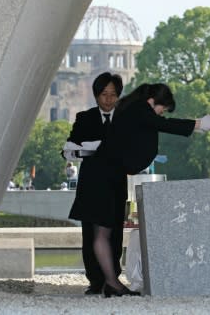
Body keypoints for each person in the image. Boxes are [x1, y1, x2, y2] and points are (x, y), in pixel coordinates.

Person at [68, 82, 210, 297]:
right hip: (103, 177)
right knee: (102, 233)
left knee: (102, 232)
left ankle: (110, 281)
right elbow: (166, 125)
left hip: (102, 175)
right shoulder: (139, 110)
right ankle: (111, 282)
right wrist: (199, 124)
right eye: (162, 108)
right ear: (153, 102)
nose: (160, 113)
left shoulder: (130, 109)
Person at [64, 72, 124, 296]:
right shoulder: (85, 117)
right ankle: (96, 280)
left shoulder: (124, 119)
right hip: (91, 183)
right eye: (103, 95)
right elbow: (70, 147)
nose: (108, 100)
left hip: (115, 182)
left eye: (113, 95)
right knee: (90, 233)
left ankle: (113, 277)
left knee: (115, 231)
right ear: (96, 95)